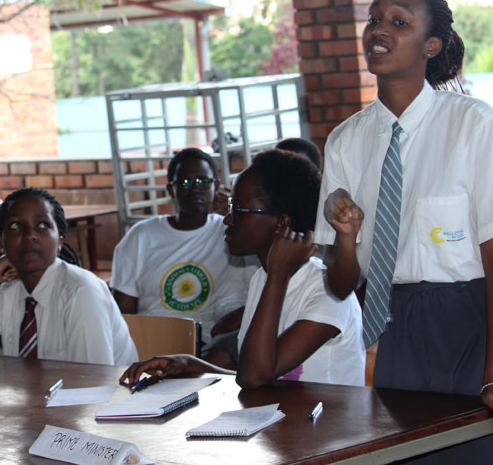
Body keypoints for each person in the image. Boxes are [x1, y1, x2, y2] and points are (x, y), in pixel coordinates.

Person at [316, 0, 493, 463]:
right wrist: (345, 236)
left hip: (482, 320)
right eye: (374, 19)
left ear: (431, 45)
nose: (379, 30)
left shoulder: (473, 124)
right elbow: (342, 285)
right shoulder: (345, 141)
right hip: (399, 325)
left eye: (399, 22)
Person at [119, 149, 365, 389]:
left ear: (281, 223)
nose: (227, 219)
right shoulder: (262, 278)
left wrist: (278, 276)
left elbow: (254, 377)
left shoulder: (326, 292)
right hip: (284, 422)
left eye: (238, 210)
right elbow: (256, 375)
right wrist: (192, 364)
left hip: (328, 427)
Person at [0, 187, 137, 366]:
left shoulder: (81, 292)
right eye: (16, 226)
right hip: (38, 412)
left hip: (100, 416)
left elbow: (92, 386)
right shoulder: (9, 295)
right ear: (1, 242)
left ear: (59, 241)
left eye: (42, 225)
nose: (30, 236)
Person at [109, 148, 250, 368]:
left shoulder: (230, 231)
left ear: (217, 187)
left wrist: (231, 204)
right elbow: (124, 313)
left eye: (203, 181)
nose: (195, 189)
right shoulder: (141, 236)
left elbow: (253, 218)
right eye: (184, 182)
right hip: (149, 343)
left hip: (205, 346)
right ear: (170, 190)